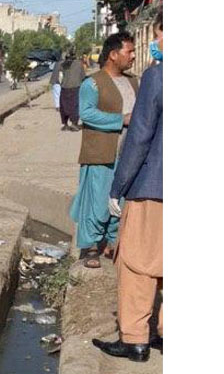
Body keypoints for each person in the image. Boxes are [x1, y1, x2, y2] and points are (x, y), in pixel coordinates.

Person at [94, 14, 162, 362]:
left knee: (136, 262)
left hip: (153, 186)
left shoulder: (157, 76)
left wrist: (118, 186)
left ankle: (135, 338)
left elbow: (140, 136)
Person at [69, 31, 137, 269]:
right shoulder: (93, 83)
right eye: (129, 51)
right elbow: (86, 113)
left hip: (128, 154)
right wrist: (121, 120)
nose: (133, 56)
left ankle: (110, 242)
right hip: (101, 153)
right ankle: (89, 248)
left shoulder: (133, 81)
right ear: (113, 54)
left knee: (118, 201)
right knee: (96, 202)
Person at [59, 49, 86, 131]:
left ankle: (65, 124)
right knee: (74, 106)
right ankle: (74, 124)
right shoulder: (79, 63)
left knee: (64, 106)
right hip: (75, 87)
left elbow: (60, 77)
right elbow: (83, 76)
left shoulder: (62, 64)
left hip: (64, 88)